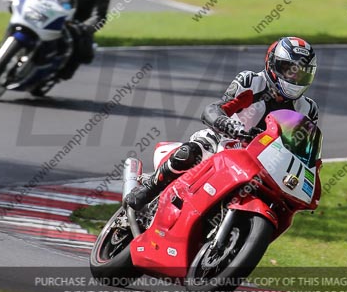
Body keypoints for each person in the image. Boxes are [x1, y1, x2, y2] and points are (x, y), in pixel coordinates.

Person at [125, 36, 318, 211]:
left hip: (265, 163)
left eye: (301, 73)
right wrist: (227, 124)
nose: (294, 78)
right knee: (190, 153)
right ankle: (149, 188)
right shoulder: (252, 82)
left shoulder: (307, 109)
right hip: (225, 143)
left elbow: (304, 151)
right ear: (273, 64)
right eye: (289, 70)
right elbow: (214, 109)